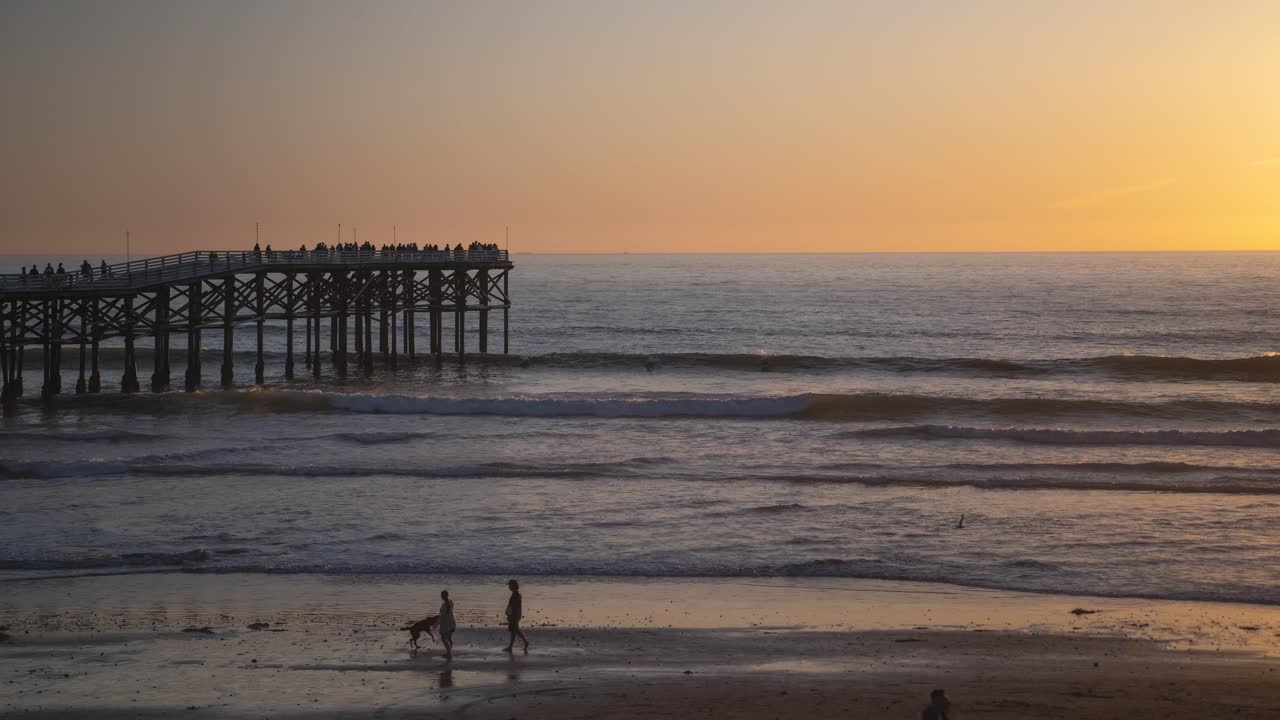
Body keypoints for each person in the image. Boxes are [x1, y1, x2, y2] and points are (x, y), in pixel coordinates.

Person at [502, 579, 529, 653]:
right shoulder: (515, 594)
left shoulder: (516, 595)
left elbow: (515, 607)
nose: (509, 587)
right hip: (515, 614)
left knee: (513, 630)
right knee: (516, 629)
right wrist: (508, 611)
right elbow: (512, 605)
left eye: (509, 585)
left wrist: (512, 615)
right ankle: (525, 642)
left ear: (513, 585)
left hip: (515, 614)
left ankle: (510, 647)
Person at [438, 590, 456, 660]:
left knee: (443, 638)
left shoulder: (444, 605)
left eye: (441, 595)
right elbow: (447, 613)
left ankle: (449, 654)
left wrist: (435, 624)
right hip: (452, 622)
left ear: (442, 596)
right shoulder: (451, 602)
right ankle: (448, 652)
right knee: (449, 638)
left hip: (446, 623)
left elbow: (443, 616)